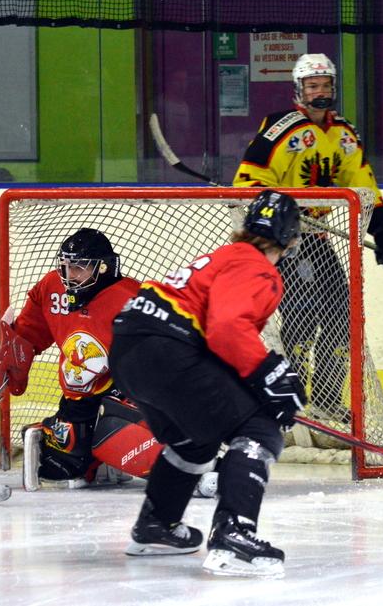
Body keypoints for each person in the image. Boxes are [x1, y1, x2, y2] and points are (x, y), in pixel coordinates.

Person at [111, 190, 306, 578]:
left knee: (194, 439)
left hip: (131, 349)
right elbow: (227, 328)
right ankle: (233, 535)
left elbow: (214, 336)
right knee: (259, 429)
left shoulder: (226, 255)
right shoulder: (257, 266)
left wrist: (256, 377)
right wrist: (268, 373)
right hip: (168, 350)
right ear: (291, 238)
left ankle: (156, 526)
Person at [232, 53, 383, 418]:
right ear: (299, 90)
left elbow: (362, 185)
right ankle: (294, 400)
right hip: (283, 244)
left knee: (342, 313)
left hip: (318, 240)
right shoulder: (282, 130)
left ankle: (327, 399)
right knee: (300, 315)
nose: (320, 93)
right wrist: (281, 220)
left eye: (326, 85)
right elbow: (248, 182)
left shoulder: (343, 134)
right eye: (313, 86)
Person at [0, 228, 149, 491]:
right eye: (65, 266)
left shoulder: (132, 299)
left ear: (104, 268)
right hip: (76, 404)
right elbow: (29, 334)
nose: (69, 275)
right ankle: (84, 452)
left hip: (120, 397)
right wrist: (10, 359)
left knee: (124, 436)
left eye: (79, 267)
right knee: (60, 466)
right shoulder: (52, 288)